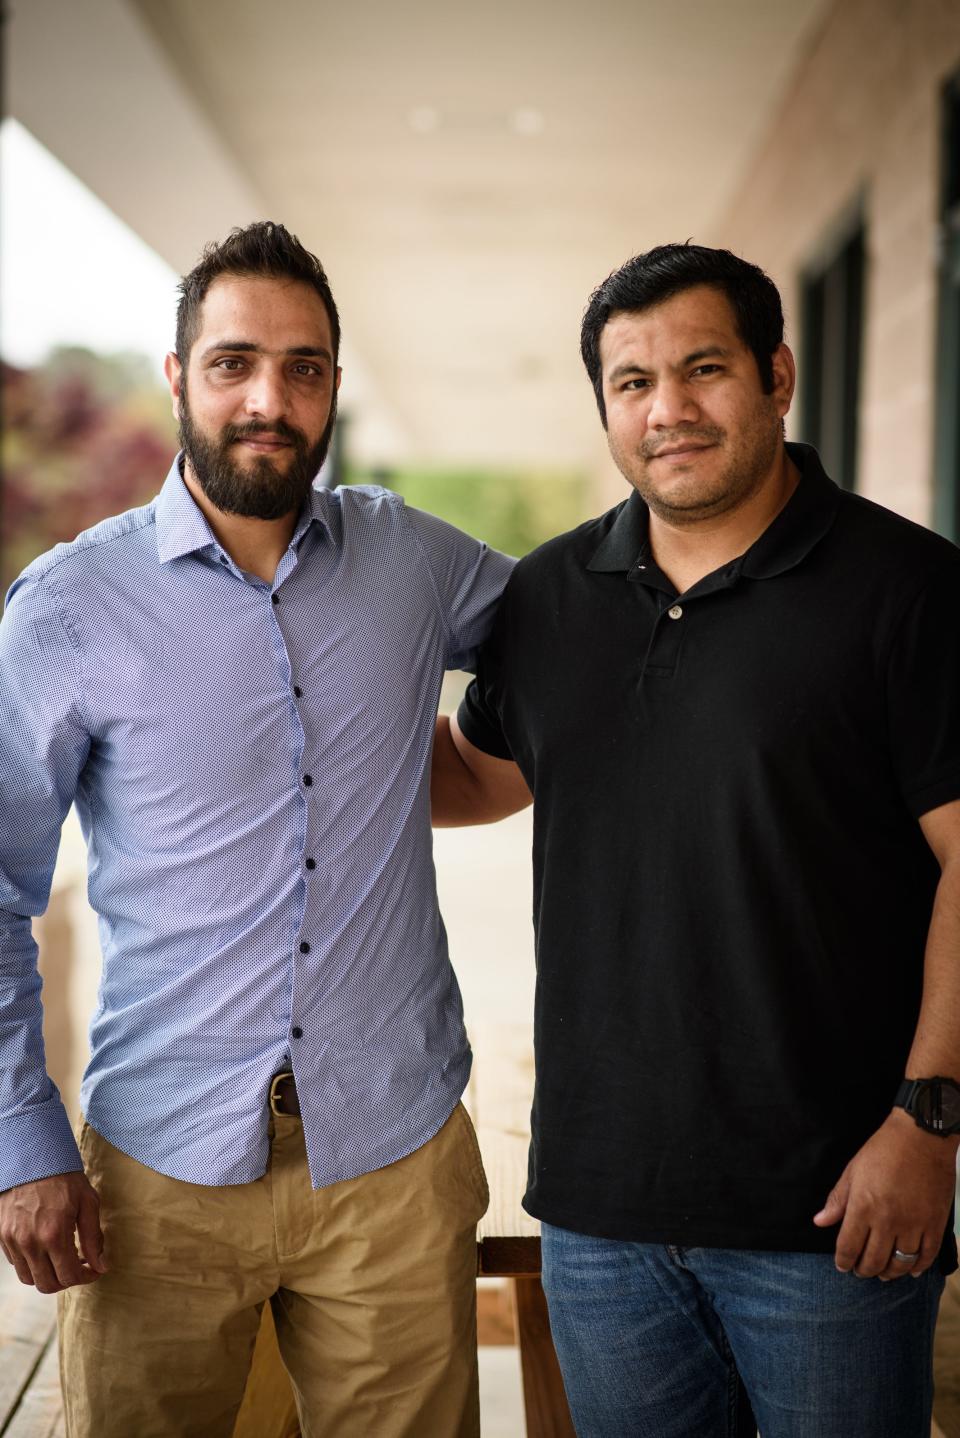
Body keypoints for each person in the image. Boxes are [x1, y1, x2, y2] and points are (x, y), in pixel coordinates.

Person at [431, 242, 960, 1437]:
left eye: (703, 368)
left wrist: (929, 1126)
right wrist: (274, 725)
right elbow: (477, 774)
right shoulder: (552, 595)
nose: (666, 408)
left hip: (831, 1213)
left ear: (777, 375)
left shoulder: (911, 590)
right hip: (601, 1212)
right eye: (631, 382)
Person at [0, 220, 513, 1438]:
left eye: (304, 367)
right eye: (233, 363)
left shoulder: (413, 559)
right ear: (177, 376)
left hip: (394, 1152)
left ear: (336, 385)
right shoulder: (70, 605)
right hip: (159, 1173)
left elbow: (586, 633)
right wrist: (22, 1138)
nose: (268, 399)